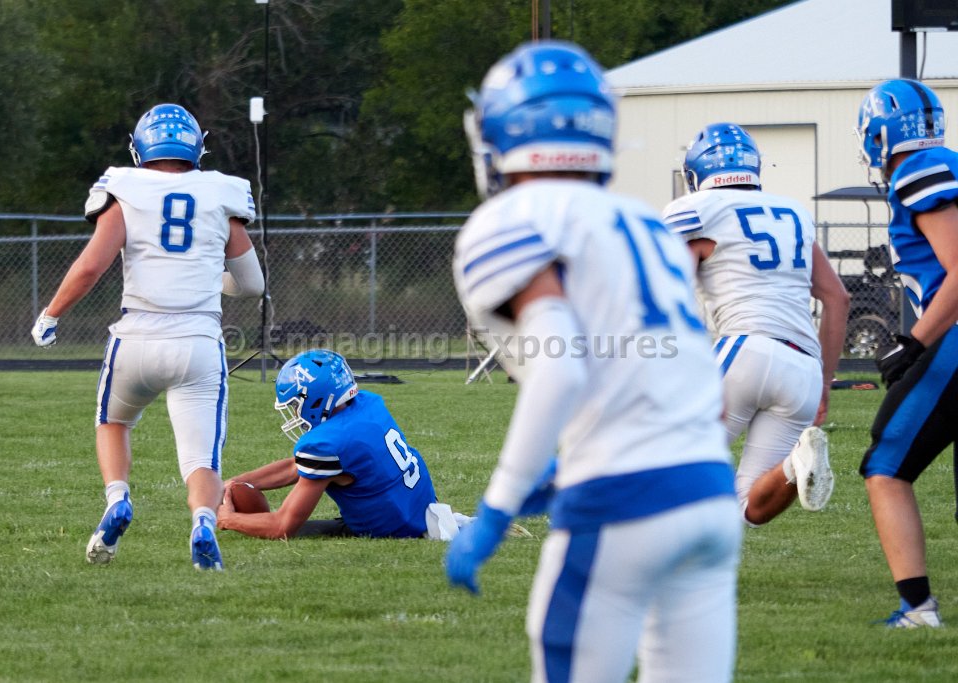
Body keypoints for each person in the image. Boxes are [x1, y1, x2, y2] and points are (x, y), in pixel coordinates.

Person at [445, 41, 742, 683]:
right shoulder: (648, 224)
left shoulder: (509, 219)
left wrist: (497, 508)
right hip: (710, 494)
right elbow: (700, 383)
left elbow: (560, 368)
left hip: (622, 499)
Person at [31, 103, 264, 571]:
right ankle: (202, 521)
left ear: (140, 148)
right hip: (198, 341)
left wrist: (50, 314)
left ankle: (118, 498)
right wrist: (209, 278)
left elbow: (91, 266)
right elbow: (252, 285)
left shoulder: (125, 188)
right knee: (201, 459)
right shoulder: (221, 192)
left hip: (136, 336)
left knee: (113, 423)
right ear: (197, 147)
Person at [661, 123, 850, 526]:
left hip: (745, 348)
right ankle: (796, 466)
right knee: (748, 508)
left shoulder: (694, 209)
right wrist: (824, 382)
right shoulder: (794, 212)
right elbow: (837, 297)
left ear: (696, 172)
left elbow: (670, 291)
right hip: (804, 369)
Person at [854, 78, 958, 628]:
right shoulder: (948, 163)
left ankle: (917, 609)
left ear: (879, 135)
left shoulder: (920, 170)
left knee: (887, 465)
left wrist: (914, 340)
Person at [217, 349, 447, 540]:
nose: (295, 413)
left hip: (394, 528)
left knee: (290, 529)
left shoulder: (327, 444)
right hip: (420, 509)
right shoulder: (367, 403)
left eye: (295, 404)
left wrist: (228, 519)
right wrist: (234, 483)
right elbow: (296, 466)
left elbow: (282, 526)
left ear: (316, 400)